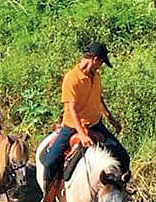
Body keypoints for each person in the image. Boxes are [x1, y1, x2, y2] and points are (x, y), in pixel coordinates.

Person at [43, 42, 130, 185]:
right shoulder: (71, 79)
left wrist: (111, 119)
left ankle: (118, 190)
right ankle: (47, 200)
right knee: (50, 162)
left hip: (96, 124)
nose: (100, 67)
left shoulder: (96, 77)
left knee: (123, 157)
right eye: (101, 63)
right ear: (95, 60)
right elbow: (71, 108)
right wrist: (82, 134)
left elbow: (99, 98)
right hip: (71, 127)